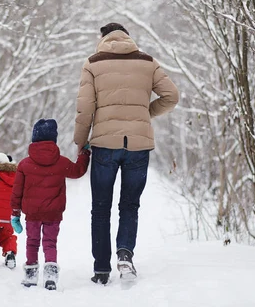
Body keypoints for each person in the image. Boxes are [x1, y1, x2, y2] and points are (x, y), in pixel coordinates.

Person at [74, 23, 179, 284]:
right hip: (138, 146)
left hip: (104, 145)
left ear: (103, 38)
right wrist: (144, 114)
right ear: (127, 37)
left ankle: (100, 270)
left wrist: (80, 141)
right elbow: (172, 96)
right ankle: (124, 255)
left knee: (100, 208)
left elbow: (85, 108)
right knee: (130, 205)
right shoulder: (148, 62)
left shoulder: (92, 63)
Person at [10, 119, 91, 290]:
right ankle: (50, 275)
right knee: (50, 242)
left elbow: (17, 191)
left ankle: (31, 275)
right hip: (54, 212)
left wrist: (15, 213)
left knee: (32, 242)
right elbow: (78, 171)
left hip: (32, 213)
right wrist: (84, 155)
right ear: (54, 140)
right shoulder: (61, 162)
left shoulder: (25, 164)